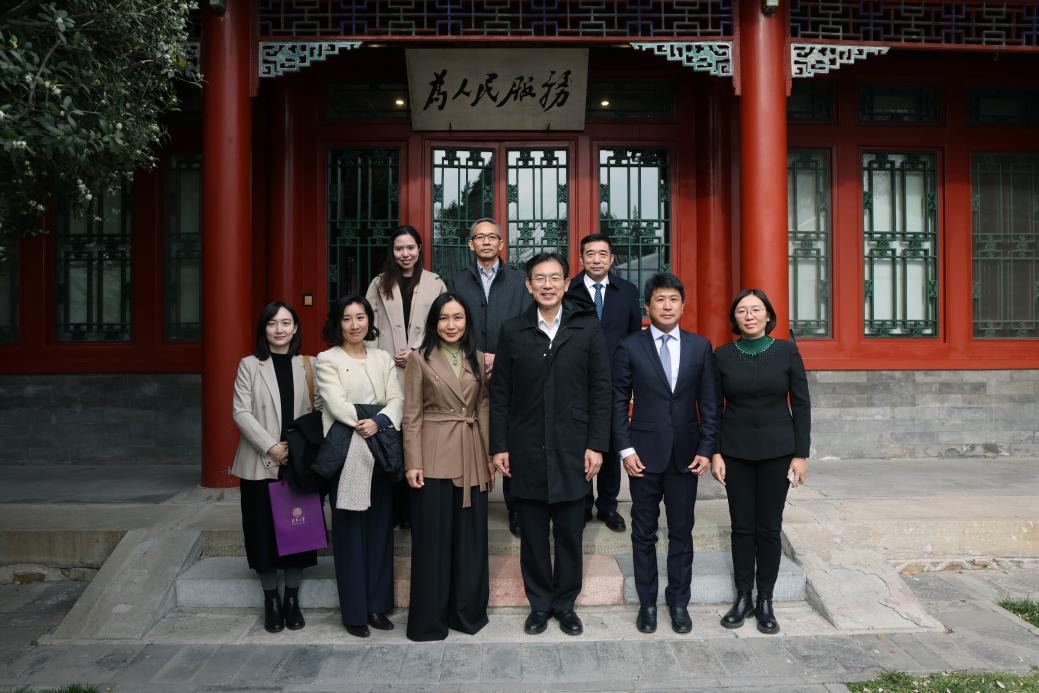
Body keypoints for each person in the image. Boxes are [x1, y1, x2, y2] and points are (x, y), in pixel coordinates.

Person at [489, 252, 611, 637]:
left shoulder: (587, 328)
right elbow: (501, 393)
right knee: (533, 536)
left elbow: (601, 390)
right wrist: (499, 445)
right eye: (539, 278)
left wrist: (597, 444)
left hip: (574, 448)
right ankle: (540, 605)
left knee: (570, 533)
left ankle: (565, 605)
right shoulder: (513, 330)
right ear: (528, 285)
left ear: (565, 283)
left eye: (554, 278)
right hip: (526, 448)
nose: (547, 285)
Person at [611, 273, 718, 634]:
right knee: (643, 533)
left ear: (683, 306)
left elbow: (709, 404)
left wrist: (706, 449)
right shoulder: (630, 346)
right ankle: (647, 603)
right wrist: (625, 449)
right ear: (648, 306)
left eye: (673, 299)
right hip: (643, 455)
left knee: (682, 532)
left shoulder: (700, 347)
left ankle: (678, 602)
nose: (667, 306)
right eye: (660, 299)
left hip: (686, 455)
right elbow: (617, 401)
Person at [711, 288, 811, 635]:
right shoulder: (723, 356)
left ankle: (765, 598)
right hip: (735, 451)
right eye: (742, 310)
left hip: (778, 451)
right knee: (742, 527)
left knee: (768, 528)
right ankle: (743, 597)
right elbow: (713, 407)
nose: (749, 315)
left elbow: (801, 403)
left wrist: (801, 454)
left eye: (756, 309)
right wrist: (716, 452)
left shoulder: (786, 351)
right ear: (734, 319)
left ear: (768, 316)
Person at [402, 292, 493, 641]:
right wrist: (413, 462)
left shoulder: (478, 358)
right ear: (433, 322)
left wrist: (488, 455)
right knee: (433, 543)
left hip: (472, 455)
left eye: (457, 317)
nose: (451, 325)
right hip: (433, 456)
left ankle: (467, 613)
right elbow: (411, 414)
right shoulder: (419, 358)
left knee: (470, 541)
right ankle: (429, 621)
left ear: (467, 321)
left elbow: (483, 407)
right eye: (443, 318)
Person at [315, 294, 404, 638]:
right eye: (347, 318)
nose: (355, 325)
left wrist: (379, 421)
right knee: (350, 532)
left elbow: (396, 398)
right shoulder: (328, 359)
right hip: (346, 449)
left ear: (369, 320)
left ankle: (377, 606)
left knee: (380, 529)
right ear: (338, 323)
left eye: (361, 317)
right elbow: (335, 403)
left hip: (379, 448)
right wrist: (366, 419)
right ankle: (354, 611)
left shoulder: (382, 357)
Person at [231, 301, 319, 633]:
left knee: (299, 531)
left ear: (295, 328)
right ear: (263, 328)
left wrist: (295, 447)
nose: (279, 329)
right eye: (272, 323)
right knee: (261, 533)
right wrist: (271, 446)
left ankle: (292, 599)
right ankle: (271, 598)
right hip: (260, 460)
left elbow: (320, 410)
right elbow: (241, 411)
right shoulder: (249, 365)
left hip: (297, 461)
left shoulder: (309, 365)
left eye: (285, 323)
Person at [447, 217, 532, 538]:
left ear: (501, 243)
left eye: (492, 237)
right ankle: (469, 505)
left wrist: (501, 355)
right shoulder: (457, 280)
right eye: (479, 237)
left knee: (512, 439)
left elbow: (528, 322)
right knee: (469, 435)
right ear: (471, 244)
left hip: (512, 370)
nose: (486, 242)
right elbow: (449, 322)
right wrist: (476, 355)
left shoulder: (519, 280)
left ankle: (517, 509)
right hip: (467, 368)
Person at [365, 225, 446, 530]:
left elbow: (443, 325)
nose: (405, 254)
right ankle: (393, 510)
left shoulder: (435, 283)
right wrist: (379, 361)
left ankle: (414, 510)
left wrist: (416, 351)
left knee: (418, 436)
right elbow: (369, 327)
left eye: (410, 247)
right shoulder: (378, 284)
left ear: (420, 248)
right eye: (399, 248)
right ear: (392, 251)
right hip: (386, 370)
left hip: (423, 368)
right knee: (390, 438)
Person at [566, 233, 642, 532]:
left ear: (611, 259)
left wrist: (632, 378)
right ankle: (583, 504)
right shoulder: (569, 291)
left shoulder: (627, 291)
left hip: (615, 380)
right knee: (579, 443)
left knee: (610, 443)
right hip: (576, 379)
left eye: (602, 254)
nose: (596, 260)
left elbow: (634, 337)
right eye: (590, 254)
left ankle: (608, 506)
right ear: (581, 259)